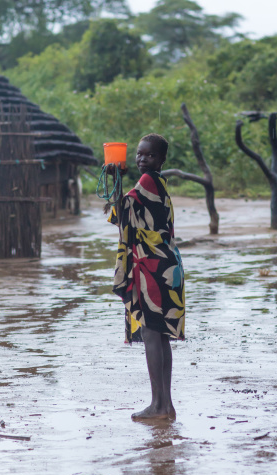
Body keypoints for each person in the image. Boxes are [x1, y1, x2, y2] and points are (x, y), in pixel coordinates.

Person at [109, 133, 185, 421]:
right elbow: (126, 213)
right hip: (166, 264)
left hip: (152, 265)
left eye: (149, 155)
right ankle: (165, 405)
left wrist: (115, 178)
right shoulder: (159, 183)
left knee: (152, 334)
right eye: (139, 154)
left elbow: (119, 211)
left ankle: (158, 405)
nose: (142, 159)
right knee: (160, 335)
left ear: (161, 159)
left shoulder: (147, 181)